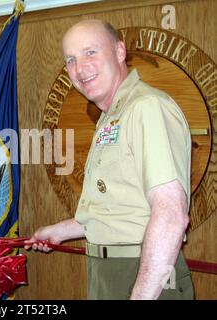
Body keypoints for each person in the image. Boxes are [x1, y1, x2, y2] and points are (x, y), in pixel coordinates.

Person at [26, 20, 194, 300]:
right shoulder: (112, 116)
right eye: (70, 59)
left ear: (119, 51)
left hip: (144, 274)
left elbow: (171, 214)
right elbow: (118, 209)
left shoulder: (147, 108)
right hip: (110, 270)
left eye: (90, 52)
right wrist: (58, 232)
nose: (80, 68)